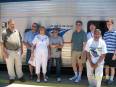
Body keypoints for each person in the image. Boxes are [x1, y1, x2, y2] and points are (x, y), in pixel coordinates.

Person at [2, 19, 25, 84]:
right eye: (11, 24)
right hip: (9, 52)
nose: (13, 25)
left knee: (19, 65)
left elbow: (20, 40)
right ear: (8, 24)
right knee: (10, 65)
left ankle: (20, 76)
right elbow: (2, 43)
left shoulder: (17, 31)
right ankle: (12, 77)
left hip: (18, 51)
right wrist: (4, 52)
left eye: (14, 24)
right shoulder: (4, 32)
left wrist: (22, 49)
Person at [103, 19, 116, 85]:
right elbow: (104, 44)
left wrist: (115, 54)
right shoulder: (105, 33)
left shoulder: (115, 33)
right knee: (107, 67)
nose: (108, 25)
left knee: (112, 67)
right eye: (107, 24)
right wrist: (104, 53)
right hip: (106, 53)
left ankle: (111, 79)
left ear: (112, 24)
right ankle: (107, 78)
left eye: (109, 24)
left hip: (112, 54)